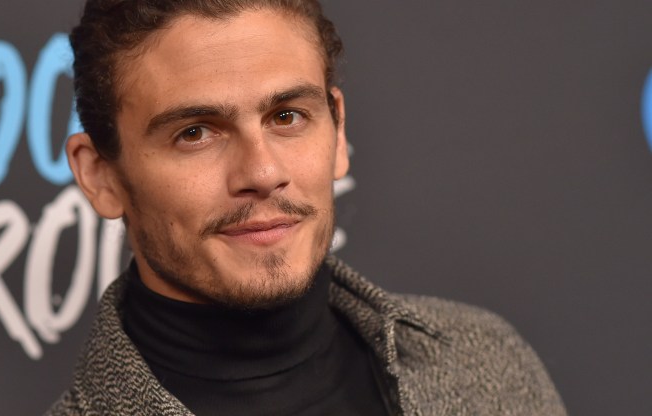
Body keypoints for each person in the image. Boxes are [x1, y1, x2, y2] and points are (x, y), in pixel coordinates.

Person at [47, 0, 567, 414]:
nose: (263, 173)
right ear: (101, 175)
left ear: (338, 131)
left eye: (287, 116)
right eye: (195, 133)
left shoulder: (486, 360)